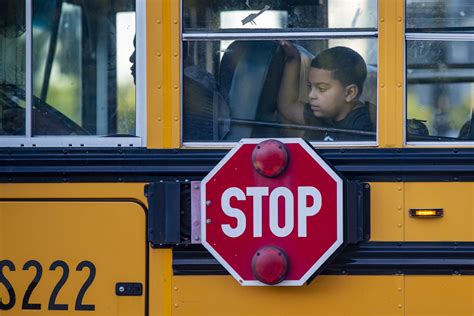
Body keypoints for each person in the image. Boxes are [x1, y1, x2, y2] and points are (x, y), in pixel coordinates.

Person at [277, 41, 374, 141]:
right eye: (310, 87)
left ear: (350, 93)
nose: (311, 95)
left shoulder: (364, 128)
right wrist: (293, 59)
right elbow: (288, 106)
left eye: (321, 88)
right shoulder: (325, 114)